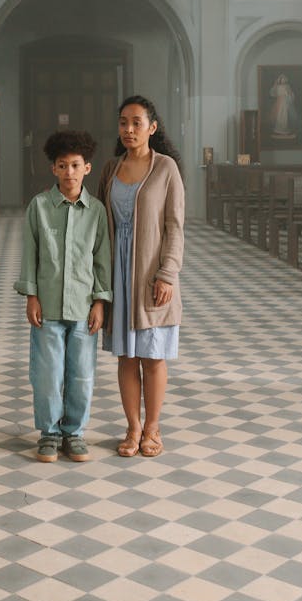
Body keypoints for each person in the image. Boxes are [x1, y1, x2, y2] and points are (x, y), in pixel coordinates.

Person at [15, 130, 112, 463]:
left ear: (87, 168)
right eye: (62, 166)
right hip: (48, 306)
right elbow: (31, 253)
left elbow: (102, 258)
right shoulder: (39, 208)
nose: (69, 172)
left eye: (75, 165)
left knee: (82, 373)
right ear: (53, 169)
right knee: (46, 373)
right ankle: (49, 432)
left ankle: (75, 432)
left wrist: (100, 300)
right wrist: (32, 295)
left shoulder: (96, 212)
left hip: (83, 307)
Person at [97, 96, 184, 458]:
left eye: (136, 122)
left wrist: (167, 274)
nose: (128, 130)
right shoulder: (110, 168)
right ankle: (132, 428)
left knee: (152, 356)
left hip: (151, 274)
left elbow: (175, 226)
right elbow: (100, 224)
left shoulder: (166, 169)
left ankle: (153, 428)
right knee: (126, 357)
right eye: (123, 123)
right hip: (118, 272)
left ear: (152, 127)